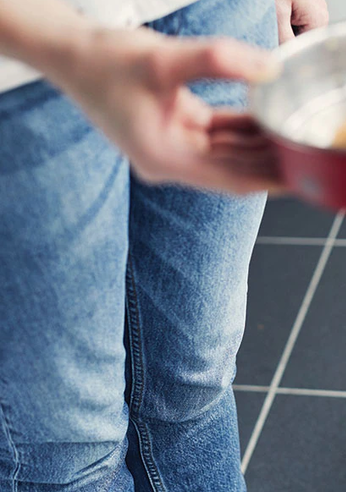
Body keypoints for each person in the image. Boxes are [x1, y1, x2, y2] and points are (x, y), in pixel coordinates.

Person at [0, 0, 328, 490]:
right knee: (68, 444)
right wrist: (75, 44)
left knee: (195, 379)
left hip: (213, 10)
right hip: (20, 66)